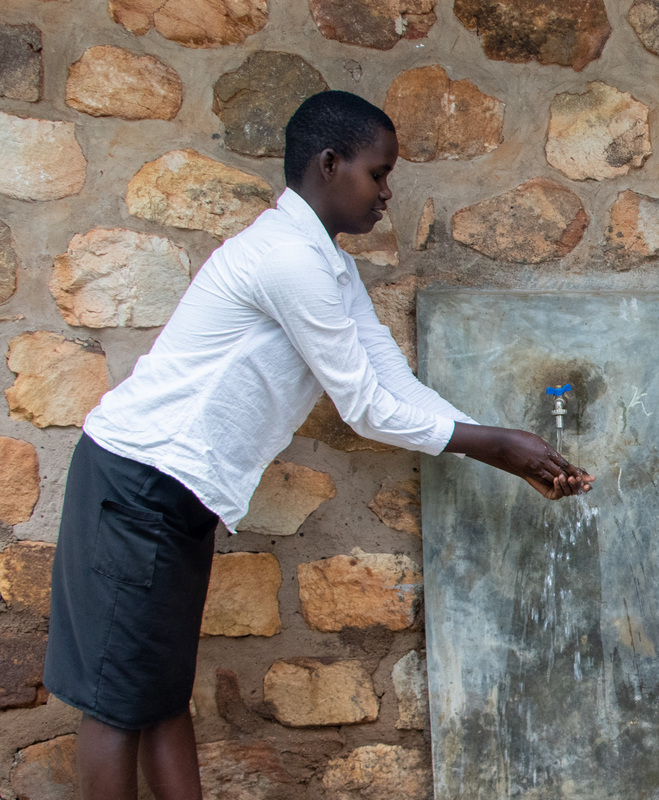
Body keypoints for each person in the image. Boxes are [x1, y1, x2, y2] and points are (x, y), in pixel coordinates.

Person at [44, 90, 594, 799]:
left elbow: (391, 380)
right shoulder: (286, 259)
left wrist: (500, 445)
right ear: (330, 165)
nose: (387, 192)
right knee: (118, 704)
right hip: (133, 484)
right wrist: (494, 445)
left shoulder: (328, 266)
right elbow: (364, 408)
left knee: (159, 693)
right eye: (378, 173)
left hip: (174, 495)